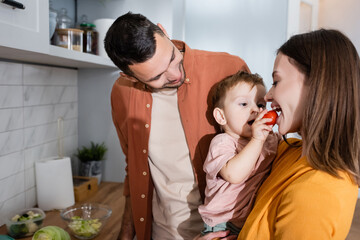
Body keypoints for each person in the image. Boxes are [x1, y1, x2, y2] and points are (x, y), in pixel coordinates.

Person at [104, 12, 250, 240]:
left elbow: (261, 157)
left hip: (226, 233)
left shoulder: (228, 68)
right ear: (130, 77)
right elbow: (133, 168)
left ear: (163, 30)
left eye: (172, 57)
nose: (174, 75)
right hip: (161, 233)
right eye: (157, 76)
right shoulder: (122, 92)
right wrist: (125, 234)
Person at [238, 29, 360, 239]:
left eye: (276, 82)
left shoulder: (317, 195)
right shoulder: (290, 152)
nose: (267, 96)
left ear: (317, 84)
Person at [198, 71, 281, 237]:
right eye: (243, 104)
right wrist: (257, 140)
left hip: (252, 220)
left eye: (260, 105)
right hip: (222, 225)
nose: (255, 110)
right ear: (221, 116)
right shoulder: (223, 143)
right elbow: (233, 175)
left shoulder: (270, 139)